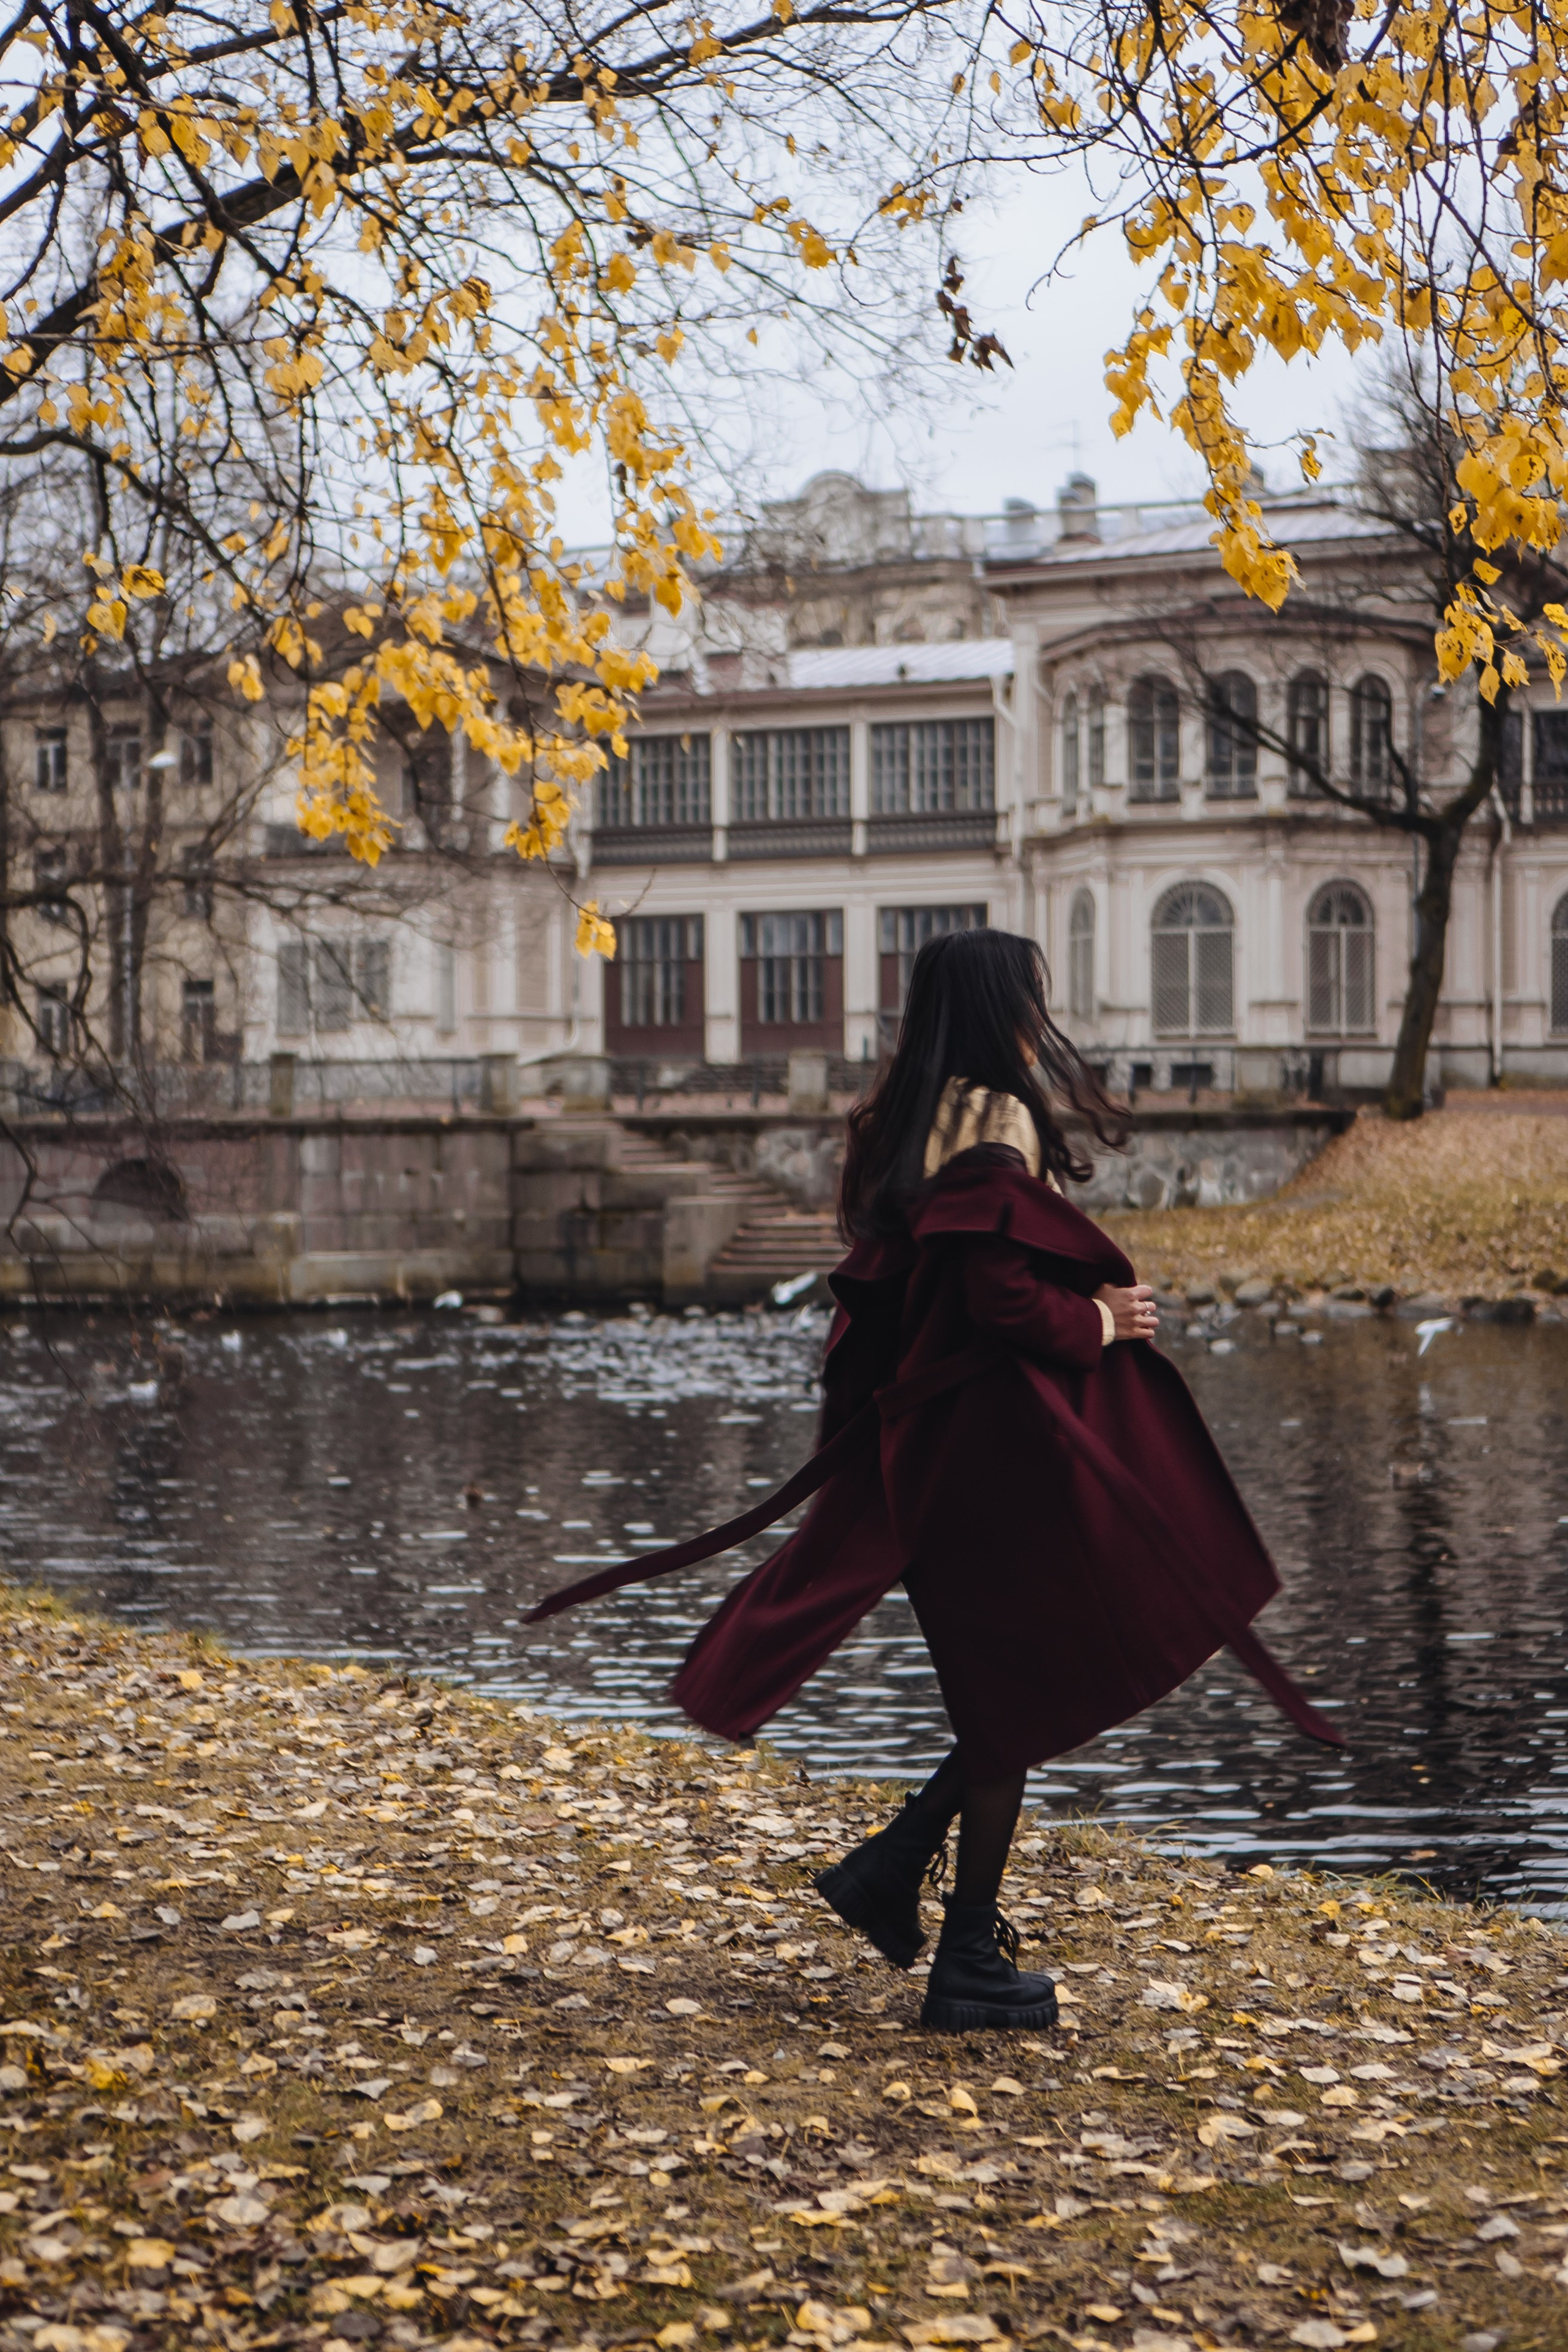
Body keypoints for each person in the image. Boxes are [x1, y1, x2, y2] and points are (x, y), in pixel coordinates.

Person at [527, 928, 1340, 2034]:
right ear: (1005, 1002)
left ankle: (903, 1873)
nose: (1037, 1010)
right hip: (993, 1453)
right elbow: (998, 1295)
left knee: (1020, 1685)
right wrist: (1098, 1321)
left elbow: (920, 1283)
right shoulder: (991, 1119)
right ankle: (959, 1955)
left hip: (946, 1451)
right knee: (1023, 1694)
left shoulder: (899, 1118)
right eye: (1030, 992)